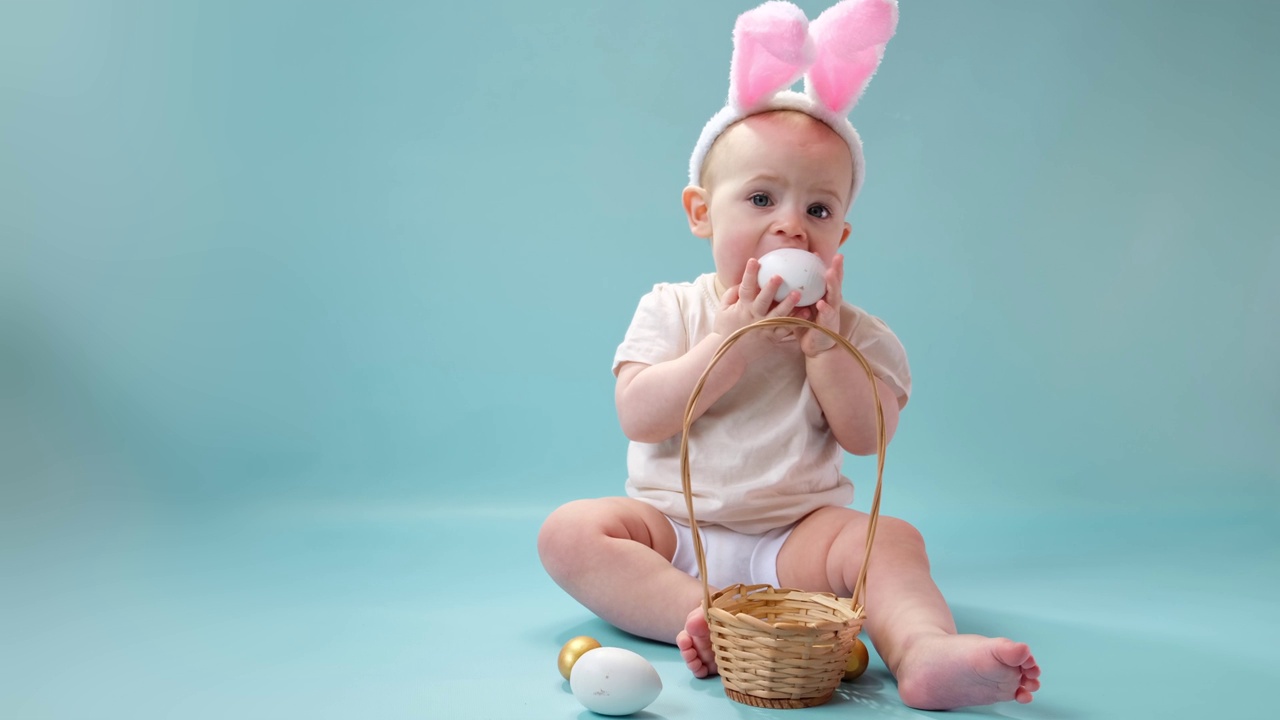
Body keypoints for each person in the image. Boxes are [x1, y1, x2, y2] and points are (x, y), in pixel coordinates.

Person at [537, 0, 1040, 710]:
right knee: (570, 533)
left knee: (888, 538)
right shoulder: (673, 308)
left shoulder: (856, 334)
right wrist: (727, 345)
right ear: (701, 212)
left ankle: (922, 647)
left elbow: (869, 441)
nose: (791, 228)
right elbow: (639, 415)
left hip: (796, 539)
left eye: (819, 210)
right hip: (676, 537)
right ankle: (706, 615)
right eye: (762, 198)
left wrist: (823, 347)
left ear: (843, 236)